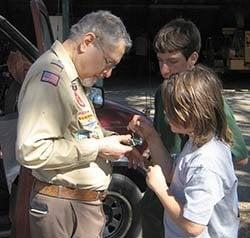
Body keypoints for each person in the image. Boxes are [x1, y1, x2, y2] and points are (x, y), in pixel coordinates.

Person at [16, 10, 134, 238]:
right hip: (64, 207)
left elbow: (76, 132)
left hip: (74, 207)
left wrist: (108, 140)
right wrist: (98, 148)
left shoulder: (71, 77)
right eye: (109, 62)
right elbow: (32, 150)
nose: (108, 73)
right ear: (87, 42)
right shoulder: (51, 77)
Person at [138, 18, 249, 238]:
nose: (164, 70)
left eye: (172, 61)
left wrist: (182, 182)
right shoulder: (166, 94)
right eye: (160, 61)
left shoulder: (203, 100)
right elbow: (172, 164)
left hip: (183, 209)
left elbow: (238, 157)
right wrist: (148, 137)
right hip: (165, 207)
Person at [128, 64, 240, 237]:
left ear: (194, 113)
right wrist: (151, 136)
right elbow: (173, 174)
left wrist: (160, 189)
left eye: (172, 110)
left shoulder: (205, 163)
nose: (166, 116)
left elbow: (193, 225)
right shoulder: (198, 141)